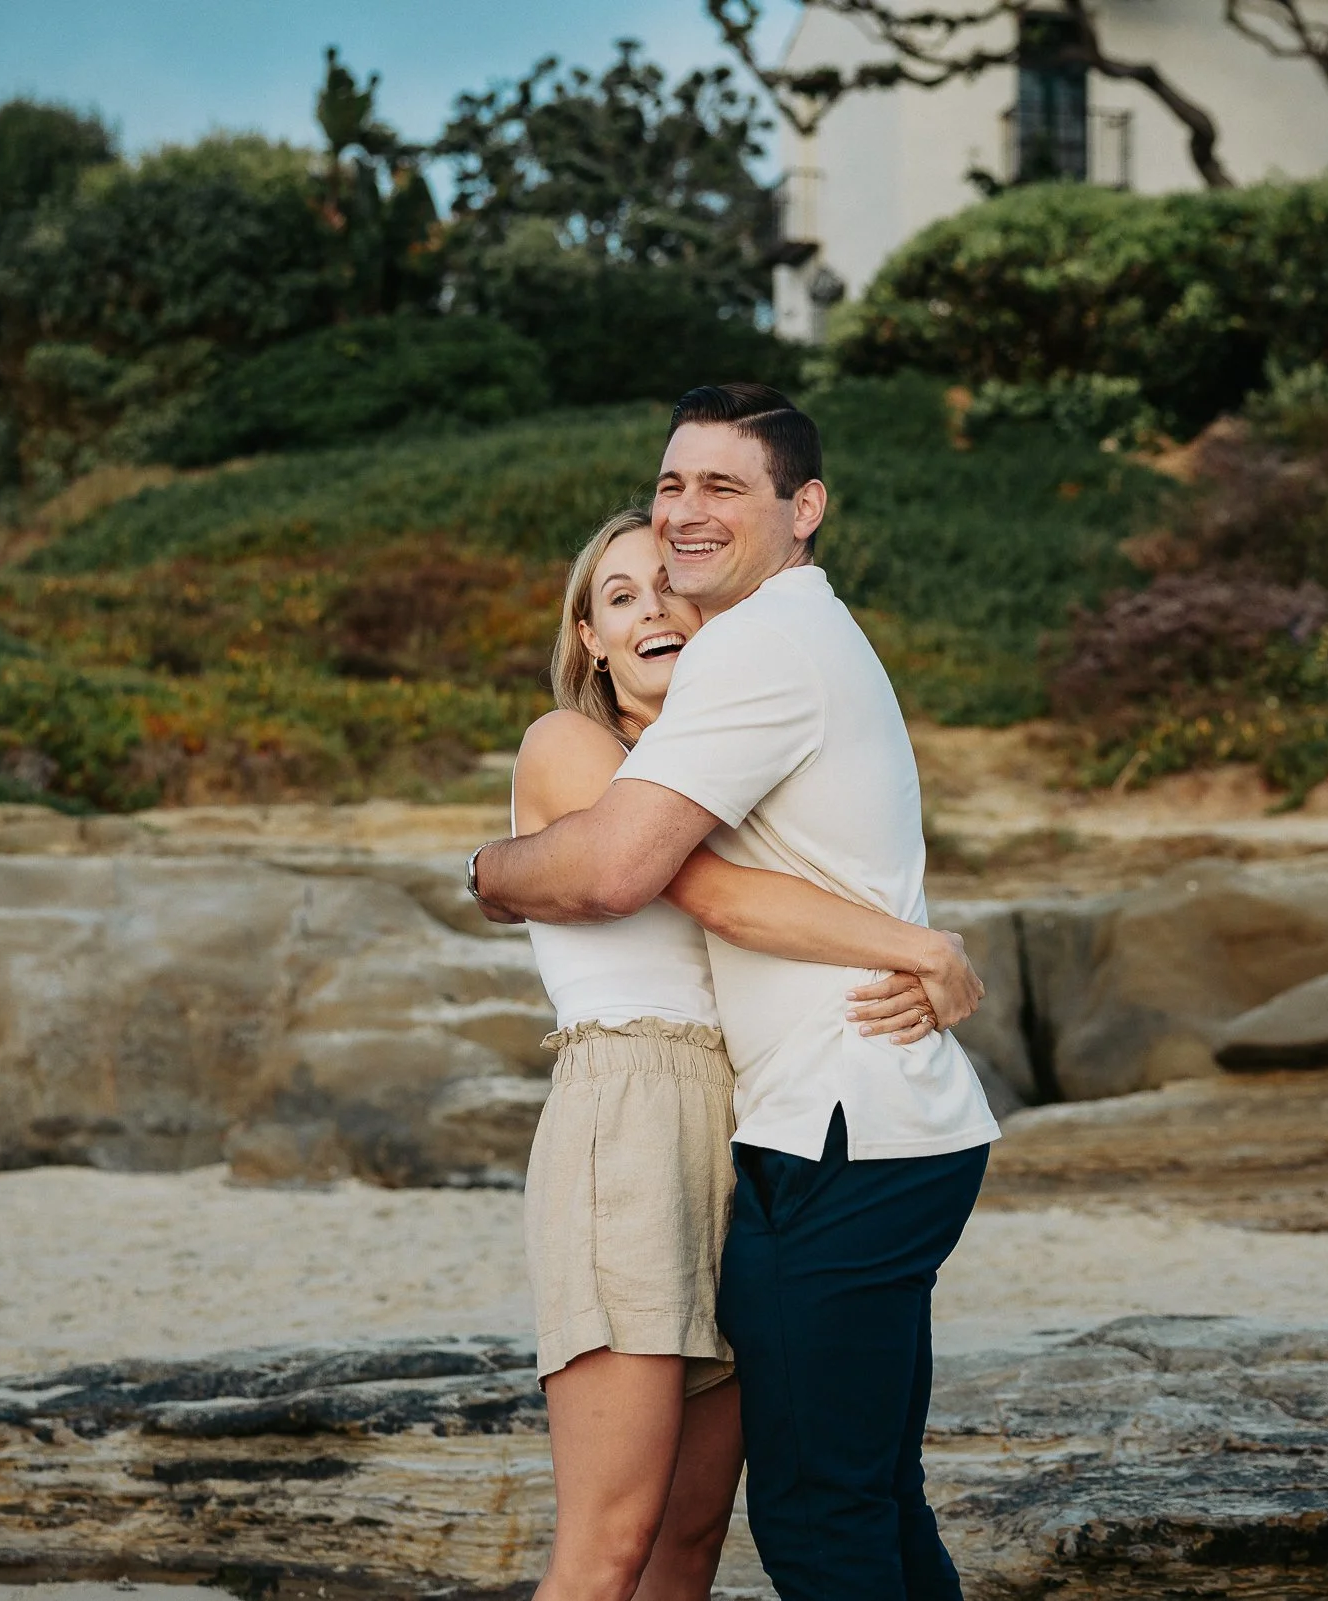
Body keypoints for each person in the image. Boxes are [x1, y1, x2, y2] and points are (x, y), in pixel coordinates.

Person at [471, 385, 1000, 1601]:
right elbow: (640, 875)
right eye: (671, 492)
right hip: (663, 1120)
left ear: (803, 508)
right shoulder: (590, 740)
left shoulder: (749, 667)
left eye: (719, 493)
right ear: (587, 641)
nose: (675, 549)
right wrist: (488, 871)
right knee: (705, 1521)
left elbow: (677, 879)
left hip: (786, 1122)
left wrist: (920, 948)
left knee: (753, 1516)